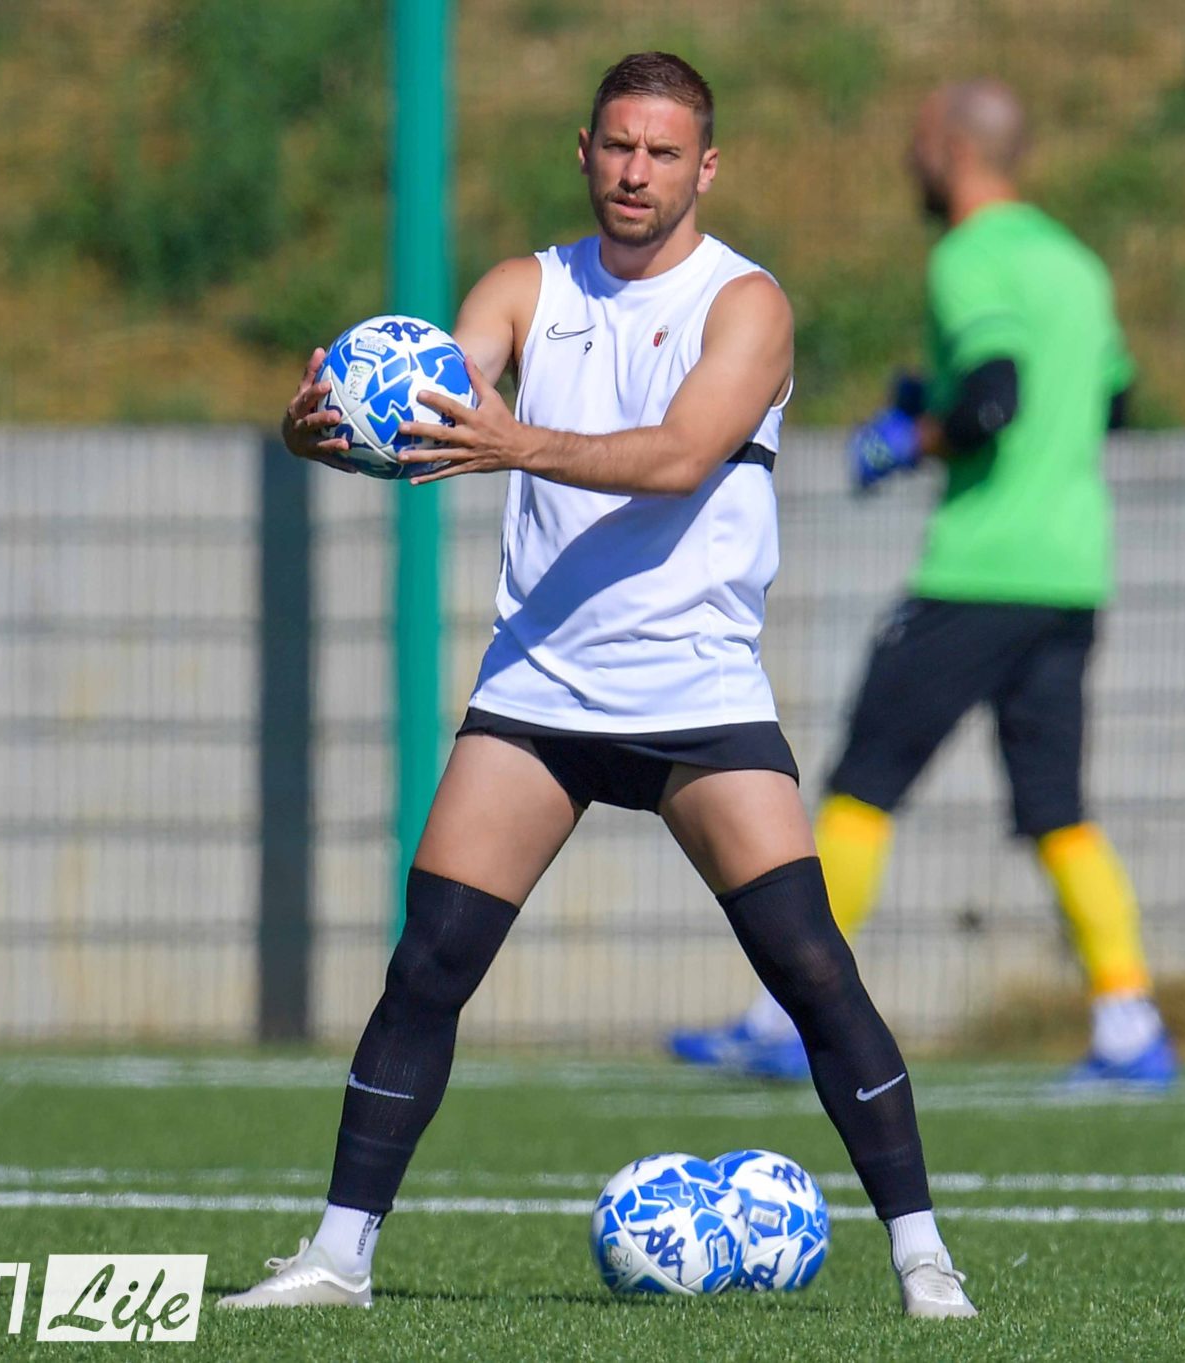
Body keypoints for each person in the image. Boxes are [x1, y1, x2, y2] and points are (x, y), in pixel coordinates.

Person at [221, 52, 974, 1320]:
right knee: (429, 964)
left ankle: (923, 1259)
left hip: (697, 694)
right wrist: (335, 430)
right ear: (583, 151)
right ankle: (337, 1259)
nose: (636, 172)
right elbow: (442, 401)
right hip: (540, 692)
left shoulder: (747, 303)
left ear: (704, 167)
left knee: (810, 968)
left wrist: (511, 439)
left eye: (663, 152)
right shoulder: (525, 287)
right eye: (617, 147)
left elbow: (679, 456)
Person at [671, 79, 1176, 1090]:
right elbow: (1113, 401)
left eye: (916, 142)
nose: (908, 160)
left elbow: (993, 399)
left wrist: (911, 435)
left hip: (978, 569)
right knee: (1057, 809)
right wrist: (942, 404)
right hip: (1071, 573)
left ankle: (786, 1014)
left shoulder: (968, 256)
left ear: (952, 149)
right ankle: (1129, 1025)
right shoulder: (1075, 263)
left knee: (863, 782)